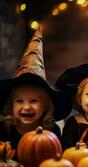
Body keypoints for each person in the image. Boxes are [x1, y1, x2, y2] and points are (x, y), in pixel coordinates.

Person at [0, 28, 72, 160]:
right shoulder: (4, 129)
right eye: (19, 101)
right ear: (11, 105)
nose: (26, 107)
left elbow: (56, 160)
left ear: (46, 106)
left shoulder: (51, 130)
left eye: (33, 101)